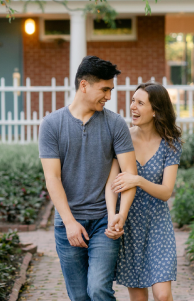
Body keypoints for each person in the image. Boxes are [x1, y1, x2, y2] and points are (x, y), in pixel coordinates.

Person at [38, 56, 138, 301]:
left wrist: (119, 216)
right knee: (80, 296)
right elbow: (52, 178)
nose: (109, 96)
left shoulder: (115, 124)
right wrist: (70, 222)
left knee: (98, 290)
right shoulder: (52, 124)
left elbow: (129, 175)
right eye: (104, 89)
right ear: (84, 85)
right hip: (67, 224)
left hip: (104, 223)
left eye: (111, 90)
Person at [110, 82, 183, 301]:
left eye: (140, 103)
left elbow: (166, 192)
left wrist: (138, 180)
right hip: (130, 224)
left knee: (162, 295)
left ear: (155, 110)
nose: (133, 107)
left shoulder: (171, 144)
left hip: (157, 224)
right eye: (133, 101)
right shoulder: (122, 139)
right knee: (139, 299)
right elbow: (112, 183)